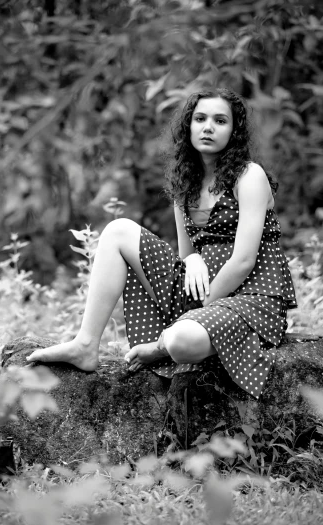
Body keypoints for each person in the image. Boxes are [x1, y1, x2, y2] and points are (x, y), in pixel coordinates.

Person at [27, 88, 297, 399]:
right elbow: (187, 254)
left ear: (234, 131)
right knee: (117, 231)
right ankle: (86, 344)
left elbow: (243, 260)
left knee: (182, 341)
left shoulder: (249, 176)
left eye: (220, 120)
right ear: (189, 126)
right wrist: (194, 261)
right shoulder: (186, 184)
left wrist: (194, 314)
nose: (208, 127)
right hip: (200, 296)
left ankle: (162, 346)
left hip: (251, 299)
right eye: (200, 119)